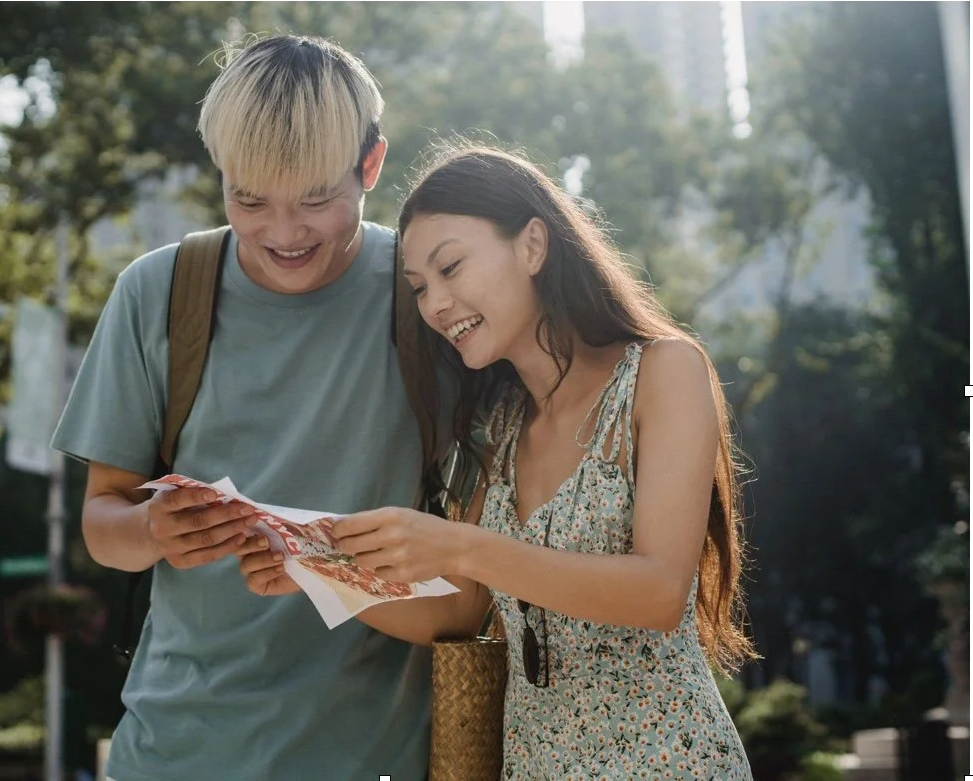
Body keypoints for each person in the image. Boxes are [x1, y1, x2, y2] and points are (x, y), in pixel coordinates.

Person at [241, 145, 756, 778]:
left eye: (451, 267)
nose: (435, 305)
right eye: (421, 287)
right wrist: (313, 568)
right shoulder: (501, 427)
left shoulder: (661, 371)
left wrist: (459, 546)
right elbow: (457, 613)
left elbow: (658, 592)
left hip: (667, 761)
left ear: (533, 245)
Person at [51, 35, 434, 780]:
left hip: (374, 755)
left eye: (317, 200)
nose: (283, 235)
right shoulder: (159, 291)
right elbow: (103, 524)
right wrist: (153, 529)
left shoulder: (427, 294)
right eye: (249, 199)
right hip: (175, 751)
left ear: (371, 165)